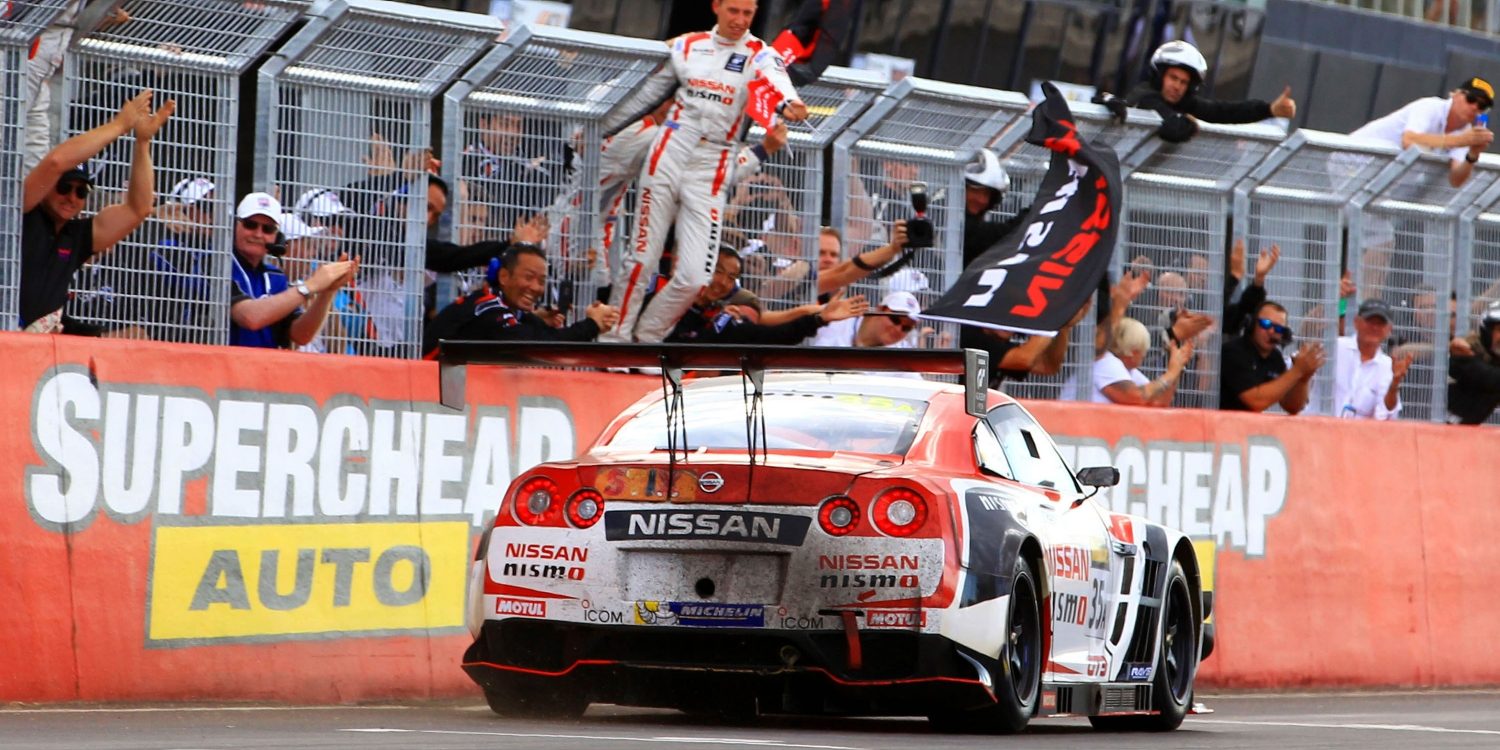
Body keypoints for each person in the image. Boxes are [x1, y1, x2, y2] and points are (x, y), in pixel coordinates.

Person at [605, 0, 808, 344]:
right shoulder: (687, 46)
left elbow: (776, 77)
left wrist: (789, 102)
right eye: (734, 11)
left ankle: (647, 340)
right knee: (641, 258)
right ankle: (613, 340)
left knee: (696, 276)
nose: (740, 20)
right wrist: (600, 126)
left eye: (748, 13)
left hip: (713, 162)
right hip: (670, 151)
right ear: (716, 7)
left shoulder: (759, 51)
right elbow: (645, 96)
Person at [20, 89, 173, 333]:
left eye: (81, 192)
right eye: (64, 187)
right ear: (48, 186)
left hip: (42, 348)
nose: (72, 197)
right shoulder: (21, 211)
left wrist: (142, 143)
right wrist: (119, 125)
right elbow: (56, 162)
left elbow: (139, 209)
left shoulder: (75, 235)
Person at [422, 245, 620, 356]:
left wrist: (540, 321)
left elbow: (544, 335)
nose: (535, 287)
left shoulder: (507, 308)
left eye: (541, 281)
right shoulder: (489, 308)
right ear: (504, 277)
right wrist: (592, 324)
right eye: (528, 277)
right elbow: (540, 346)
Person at [229, 193, 359, 349]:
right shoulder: (220, 266)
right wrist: (310, 286)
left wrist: (327, 292)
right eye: (250, 225)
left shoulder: (275, 277)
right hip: (223, 368)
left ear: (277, 238)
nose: (258, 234)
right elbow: (250, 317)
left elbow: (300, 336)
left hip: (264, 368)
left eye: (268, 229)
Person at [666, 248, 867, 344]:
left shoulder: (724, 318)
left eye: (732, 277)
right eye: (718, 271)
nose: (723, 283)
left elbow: (771, 336)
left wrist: (818, 319)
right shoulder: (659, 292)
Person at [1111, 40, 1297, 143]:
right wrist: (1188, 124)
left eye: (1184, 82)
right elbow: (1174, 129)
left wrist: (1269, 109)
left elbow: (1222, 111)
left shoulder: (1182, 102)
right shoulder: (1145, 96)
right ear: (1159, 76)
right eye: (1173, 78)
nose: (1178, 86)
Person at [1350, 77, 1494, 188]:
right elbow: (1409, 141)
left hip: (1377, 175)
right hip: (1353, 159)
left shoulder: (1466, 133)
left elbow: (1456, 180)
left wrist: (1473, 154)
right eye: (1471, 99)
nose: (1475, 107)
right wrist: (1460, 141)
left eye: (1482, 106)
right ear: (1456, 95)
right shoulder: (1430, 106)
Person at [1219, 300, 1326, 413]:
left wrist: (1304, 378)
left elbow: (1292, 407)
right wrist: (1297, 371)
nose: (1271, 331)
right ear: (1252, 324)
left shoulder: (1275, 358)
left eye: (1278, 328)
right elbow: (1255, 401)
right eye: (1266, 324)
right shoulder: (1234, 352)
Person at [1325, 299, 1410, 420]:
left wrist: (1395, 384)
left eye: (1380, 323)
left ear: (1389, 329)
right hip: (1319, 429)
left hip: (1357, 435)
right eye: (1369, 321)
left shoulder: (1387, 365)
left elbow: (1386, 415)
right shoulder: (1334, 347)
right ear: (1356, 322)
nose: (1374, 327)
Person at [1092, 317, 1192, 406]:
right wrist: (1170, 374)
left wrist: (1177, 368)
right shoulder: (1106, 362)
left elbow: (1158, 402)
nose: (1144, 355)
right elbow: (1137, 396)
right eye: (1142, 350)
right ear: (1132, 352)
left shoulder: (1130, 371)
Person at [1447, 301, 1500, 424]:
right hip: (1437, 430)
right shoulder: (1464, 351)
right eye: (1499, 329)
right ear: (1487, 331)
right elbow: (1489, 377)